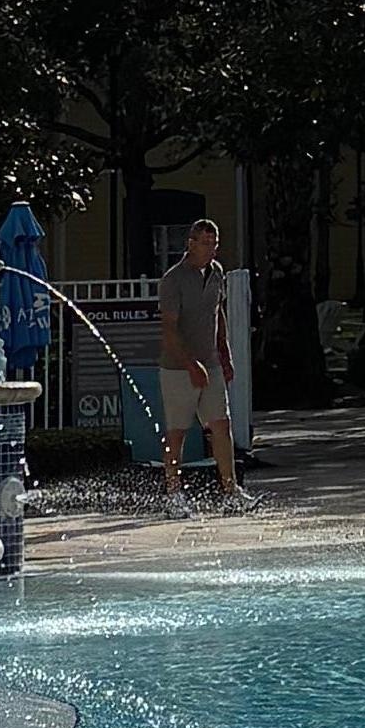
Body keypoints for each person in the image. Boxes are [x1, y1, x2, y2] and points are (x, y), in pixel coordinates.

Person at [157, 211, 241, 507]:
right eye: (205, 242)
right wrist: (192, 365)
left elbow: (217, 313)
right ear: (190, 244)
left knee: (221, 423)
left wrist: (224, 353)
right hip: (179, 366)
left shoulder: (216, 272)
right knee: (177, 430)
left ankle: (230, 490)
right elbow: (169, 328)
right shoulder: (173, 280)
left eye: (214, 243)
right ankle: (173, 491)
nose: (210, 248)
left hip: (212, 360)